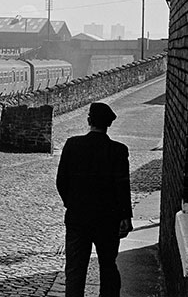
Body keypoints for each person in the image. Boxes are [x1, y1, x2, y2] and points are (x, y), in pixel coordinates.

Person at [56, 102, 133, 297]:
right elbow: (122, 186)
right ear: (109, 124)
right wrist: (125, 217)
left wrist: (72, 203)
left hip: (78, 219)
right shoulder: (118, 150)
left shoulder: (72, 145)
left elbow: (61, 181)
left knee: (75, 270)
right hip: (108, 220)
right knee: (108, 266)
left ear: (89, 121)